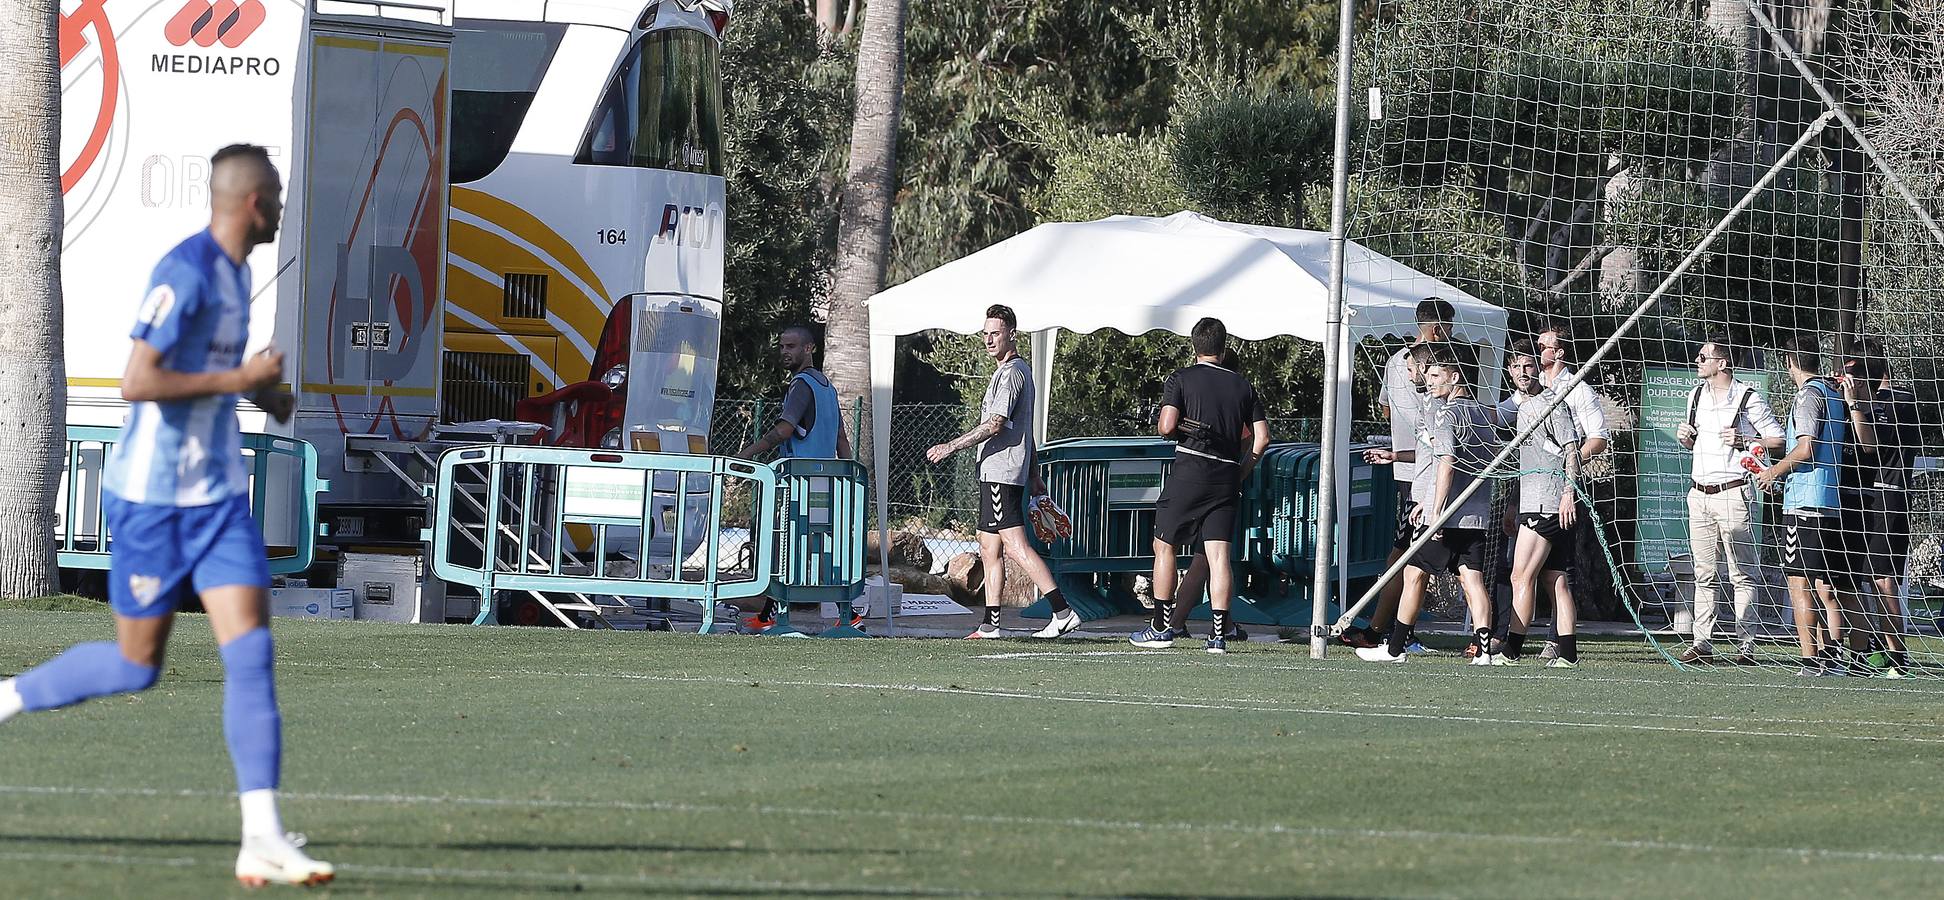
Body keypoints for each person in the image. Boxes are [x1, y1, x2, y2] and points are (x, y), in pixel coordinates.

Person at [0, 145, 332, 887]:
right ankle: (8, 697)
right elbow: (138, 380)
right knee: (134, 665)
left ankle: (262, 836)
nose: (281, 208)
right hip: (151, 499)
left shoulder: (240, 275)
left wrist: (266, 395)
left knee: (250, 655)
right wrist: (239, 376)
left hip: (215, 501)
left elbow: (213, 383)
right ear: (252, 203)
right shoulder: (183, 271)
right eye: (275, 196)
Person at [926, 304, 1079, 639]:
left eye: (995, 332)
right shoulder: (1011, 371)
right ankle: (990, 624)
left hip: (1001, 474)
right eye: (985, 333)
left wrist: (950, 446)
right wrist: (1035, 473)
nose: (989, 339)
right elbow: (1025, 431)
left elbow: (996, 424)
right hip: (998, 472)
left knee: (1014, 546)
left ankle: (1063, 611)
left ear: (1012, 333)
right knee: (989, 547)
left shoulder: (1011, 373)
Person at [1129, 318, 1270, 654]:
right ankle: (1218, 636)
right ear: (1223, 347)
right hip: (1225, 477)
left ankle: (1161, 628)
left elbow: (1166, 426)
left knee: (1164, 545)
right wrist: (1241, 471)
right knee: (1218, 556)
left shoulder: (1181, 378)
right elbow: (1261, 438)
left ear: (1194, 346)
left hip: (1190, 470)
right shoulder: (1243, 386)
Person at [1357, 345, 1502, 664]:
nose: (1429, 380)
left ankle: (1394, 649)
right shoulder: (1485, 414)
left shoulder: (1448, 414)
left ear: (1454, 376)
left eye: (1436, 375)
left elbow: (1447, 463)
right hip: (1476, 516)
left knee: (1412, 575)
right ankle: (1485, 650)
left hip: (1446, 516)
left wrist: (1434, 511)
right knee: (1472, 580)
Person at [1345, 299, 1454, 651]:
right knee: (1421, 561)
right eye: (1449, 327)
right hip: (1427, 474)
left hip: (1412, 470)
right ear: (1438, 329)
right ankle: (1394, 633)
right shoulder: (1441, 367)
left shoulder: (1396, 362)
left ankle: (1385, 631)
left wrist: (1400, 445)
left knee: (1408, 559)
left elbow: (1386, 409)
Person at [734, 324, 854, 633]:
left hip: (800, 481)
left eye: (791, 346)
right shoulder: (827, 387)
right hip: (827, 480)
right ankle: (845, 613)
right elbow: (841, 437)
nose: (785, 352)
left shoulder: (801, 385)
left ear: (809, 349)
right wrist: (850, 474)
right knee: (823, 545)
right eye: (782, 346)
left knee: (783, 544)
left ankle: (779, 617)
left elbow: (785, 430)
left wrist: (749, 451)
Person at [1674, 337, 1785, 666]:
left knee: (1741, 573)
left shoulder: (1747, 397)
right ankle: (1701, 642)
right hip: (1699, 494)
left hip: (1734, 492)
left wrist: (1747, 439)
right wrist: (1685, 439)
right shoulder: (1694, 395)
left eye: (1703, 356)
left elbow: (1778, 440)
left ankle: (1745, 644)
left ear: (1722, 363)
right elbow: (1691, 443)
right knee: (1703, 572)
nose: (1697, 360)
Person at [1755, 334, 1852, 676]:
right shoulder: (1834, 395)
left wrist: (1773, 472)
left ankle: (1811, 660)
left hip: (1805, 502)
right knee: (1826, 584)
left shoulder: (1808, 395)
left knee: (1799, 583)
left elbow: (1806, 447)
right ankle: (1834, 657)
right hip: (1830, 499)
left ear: (1789, 363)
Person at [1495, 342, 1584, 667]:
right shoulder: (1523, 408)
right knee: (1555, 579)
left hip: (1548, 503)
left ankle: (1512, 650)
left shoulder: (1551, 404)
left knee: (1521, 577)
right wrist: (1514, 501)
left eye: (1528, 366)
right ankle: (1569, 655)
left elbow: (1572, 449)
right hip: (1533, 501)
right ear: (1509, 371)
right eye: (1516, 367)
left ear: (1540, 368)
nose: (1522, 373)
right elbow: (1528, 462)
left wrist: (1567, 493)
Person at [1839, 338, 1919, 677]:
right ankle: (1865, 648)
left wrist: (1858, 403)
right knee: (1856, 577)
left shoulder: (1898, 401)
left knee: (1883, 578)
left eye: (1852, 369)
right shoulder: (1865, 401)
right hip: (1860, 498)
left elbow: (1870, 445)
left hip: (1888, 497)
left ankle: (1897, 655)